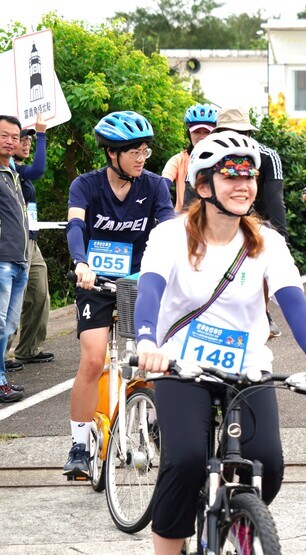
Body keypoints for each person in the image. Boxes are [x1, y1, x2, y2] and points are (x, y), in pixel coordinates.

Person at [133, 130, 306, 555]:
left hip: (247, 367)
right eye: (230, 176)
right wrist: (148, 341)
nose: (243, 185)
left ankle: (238, 521)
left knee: (268, 463)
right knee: (185, 460)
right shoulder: (170, 236)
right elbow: (149, 289)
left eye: (250, 176)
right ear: (203, 185)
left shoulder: (267, 241)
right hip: (180, 365)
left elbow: (293, 301)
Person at [62, 110, 175, 478]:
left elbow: (169, 229)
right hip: (94, 283)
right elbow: (75, 225)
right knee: (94, 360)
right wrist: (81, 262)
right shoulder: (85, 185)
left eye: (145, 151)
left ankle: (155, 424)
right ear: (112, 153)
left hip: (138, 283)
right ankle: (80, 445)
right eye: (134, 152)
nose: (142, 158)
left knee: (152, 359)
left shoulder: (155, 186)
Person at [213, 108, 288, 337]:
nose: (236, 139)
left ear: (250, 134)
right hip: (216, 218)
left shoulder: (267, 156)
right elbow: (192, 196)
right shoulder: (207, 155)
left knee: (262, 252)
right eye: (229, 133)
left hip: (256, 217)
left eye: (242, 133)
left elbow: (275, 199)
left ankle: (263, 312)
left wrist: (281, 237)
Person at [5, 115, 53, 371]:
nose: (25, 144)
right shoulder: (12, 171)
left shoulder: (19, 173)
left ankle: (28, 349)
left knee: (40, 295)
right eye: (21, 139)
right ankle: (3, 356)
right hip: (13, 244)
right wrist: (42, 134)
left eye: (28, 140)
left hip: (31, 241)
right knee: (10, 302)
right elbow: (39, 169)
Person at [0, 115, 29, 402]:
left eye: (14, 137)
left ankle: (2, 379)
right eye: (4, 135)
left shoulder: (12, 171)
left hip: (19, 260)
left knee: (8, 327)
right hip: (2, 259)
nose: (10, 141)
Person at [161, 104, 217, 212]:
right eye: (196, 132)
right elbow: (163, 185)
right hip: (184, 217)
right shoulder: (178, 160)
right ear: (189, 133)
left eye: (207, 132)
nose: (202, 137)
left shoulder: (222, 159)